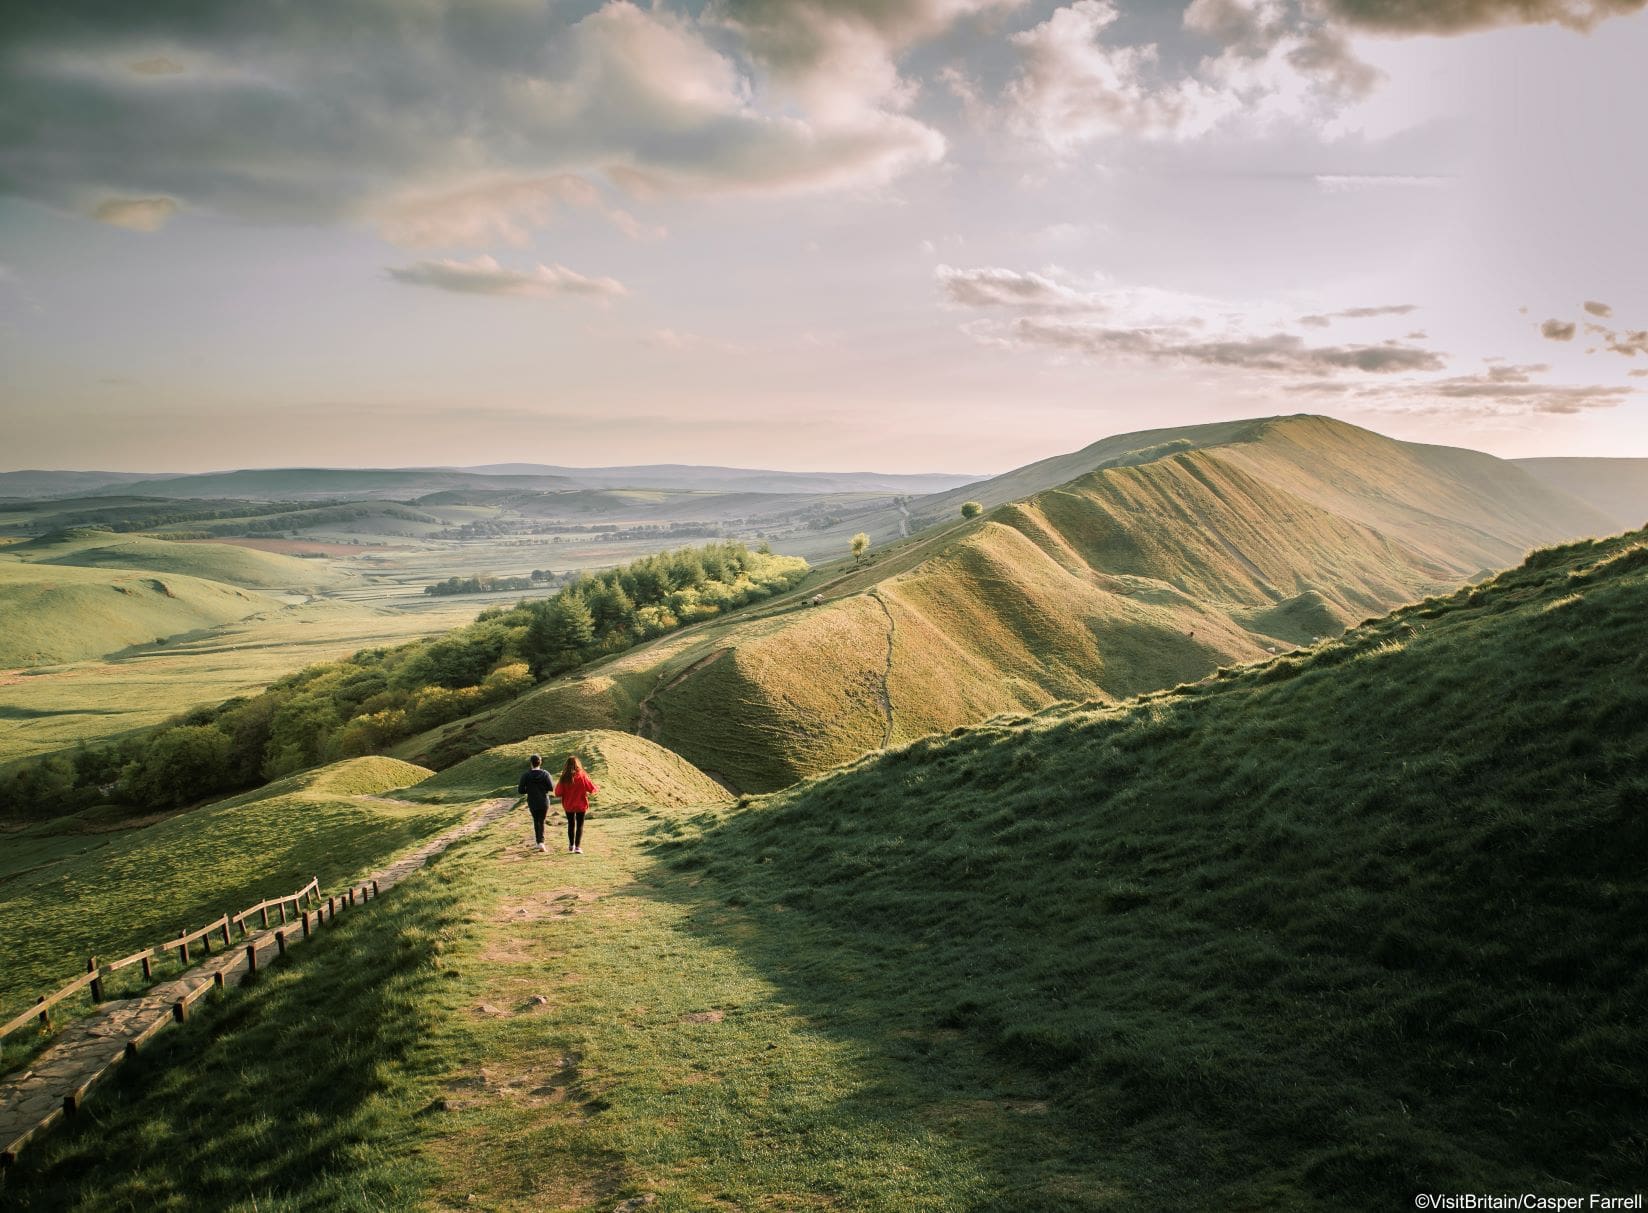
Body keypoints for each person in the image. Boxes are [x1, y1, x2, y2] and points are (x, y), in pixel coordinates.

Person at [555, 755, 598, 854]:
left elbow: (558, 792)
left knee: (571, 824)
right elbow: (591, 788)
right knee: (580, 825)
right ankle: (578, 847)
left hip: (568, 805)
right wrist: (597, 788)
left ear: (566, 765)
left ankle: (571, 845)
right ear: (578, 764)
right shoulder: (582, 775)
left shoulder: (564, 777)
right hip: (581, 804)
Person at [516, 754, 555, 853]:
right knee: (541, 821)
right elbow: (551, 787)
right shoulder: (545, 774)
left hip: (532, 801)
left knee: (536, 820)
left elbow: (520, 790)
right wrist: (542, 789)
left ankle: (539, 842)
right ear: (540, 762)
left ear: (531, 763)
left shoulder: (526, 775)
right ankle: (540, 842)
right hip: (543, 801)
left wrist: (529, 790)